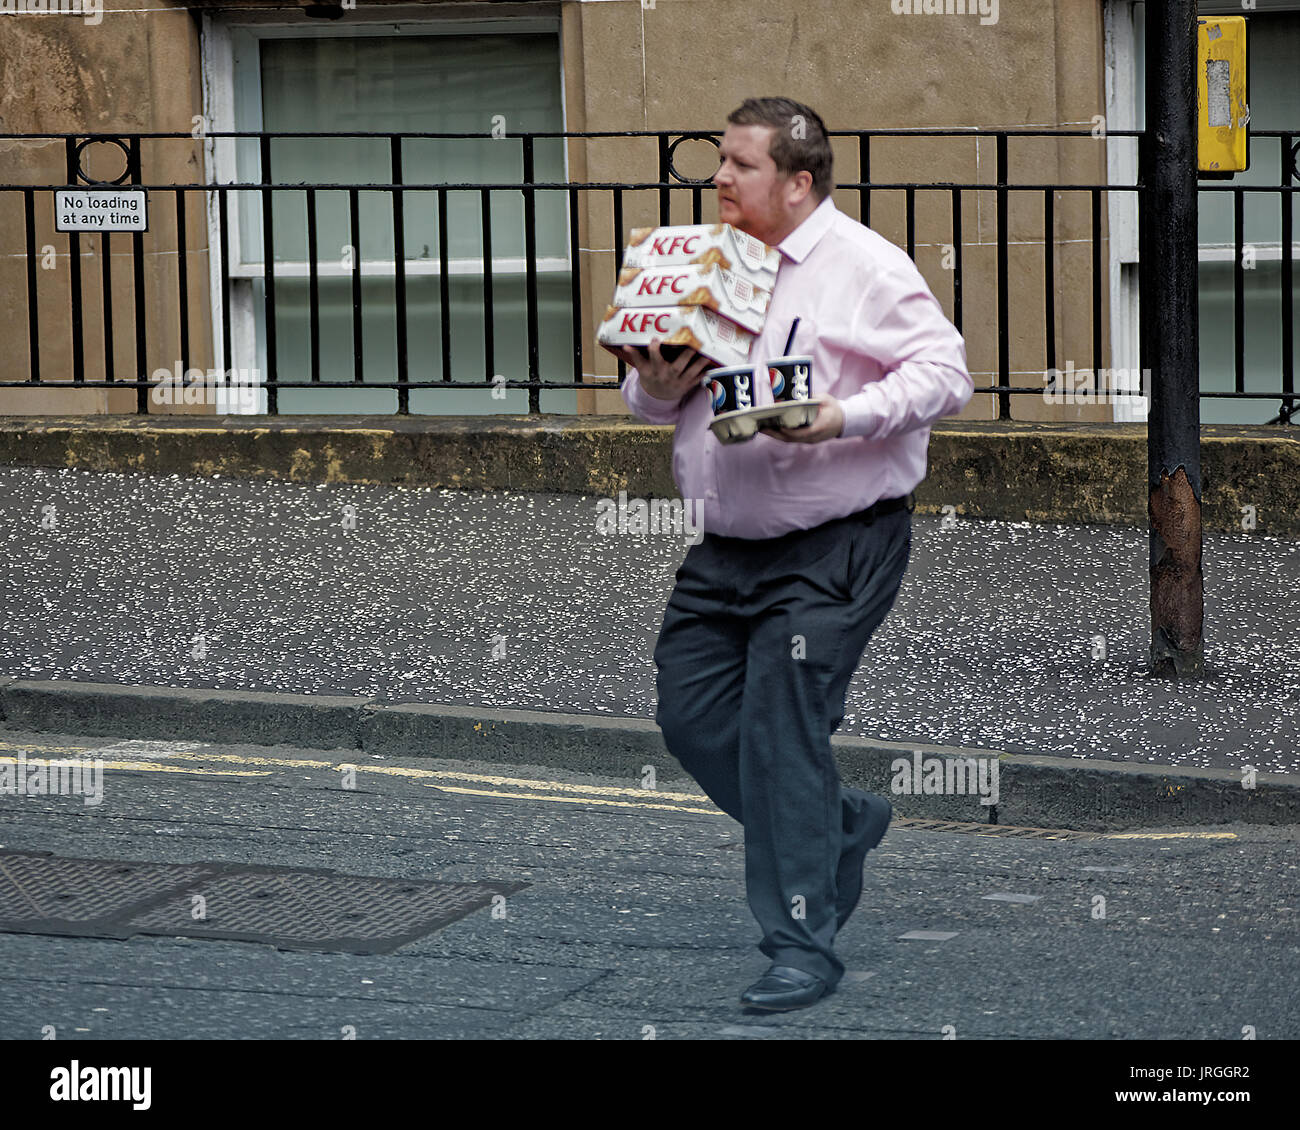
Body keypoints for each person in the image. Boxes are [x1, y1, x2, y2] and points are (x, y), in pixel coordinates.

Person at [609, 96, 974, 1012]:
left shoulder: (866, 268)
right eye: (719, 163)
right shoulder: (705, 264)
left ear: (798, 181)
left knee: (781, 731)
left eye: (739, 165)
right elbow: (652, 399)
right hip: (724, 550)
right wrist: (652, 387)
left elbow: (945, 375)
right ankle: (839, 823)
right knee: (691, 719)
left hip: (837, 545)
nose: (719, 179)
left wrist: (841, 416)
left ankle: (800, 947)